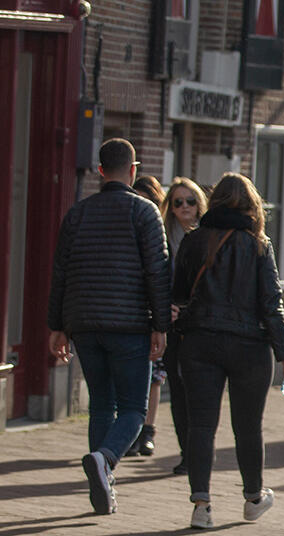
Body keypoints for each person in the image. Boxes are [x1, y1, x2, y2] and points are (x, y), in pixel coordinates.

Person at [171, 173, 284, 529]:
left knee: (201, 425)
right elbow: (270, 303)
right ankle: (253, 498)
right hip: (249, 346)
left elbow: (179, 292)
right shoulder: (258, 244)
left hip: (199, 342)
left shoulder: (194, 241)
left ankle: (201, 505)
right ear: (251, 205)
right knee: (247, 427)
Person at [47, 138, 170, 516]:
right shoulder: (145, 212)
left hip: (84, 323)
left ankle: (102, 486)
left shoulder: (77, 214)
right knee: (133, 409)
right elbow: (157, 272)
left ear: (100, 171)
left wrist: (57, 326)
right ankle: (106, 459)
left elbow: (60, 272)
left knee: (101, 403)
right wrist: (160, 324)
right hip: (129, 324)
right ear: (133, 171)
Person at [153, 176, 208, 473]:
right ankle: (187, 454)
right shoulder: (161, 237)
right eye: (178, 202)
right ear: (170, 207)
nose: (185, 207)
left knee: (197, 391)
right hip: (172, 325)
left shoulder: (208, 238)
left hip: (198, 325)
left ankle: (198, 454)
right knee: (177, 390)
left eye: (190, 201)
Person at [129, 177, 166, 460]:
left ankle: (148, 431)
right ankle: (129, 432)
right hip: (131, 314)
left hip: (155, 315)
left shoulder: (161, 232)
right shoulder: (126, 230)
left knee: (154, 378)